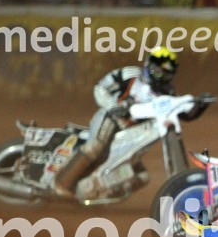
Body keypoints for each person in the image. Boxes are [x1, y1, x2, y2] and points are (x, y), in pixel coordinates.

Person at [54, 46, 207, 197]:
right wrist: (113, 106)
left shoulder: (168, 93)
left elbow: (184, 114)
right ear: (148, 64)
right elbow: (100, 88)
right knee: (95, 148)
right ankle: (62, 184)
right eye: (158, 71)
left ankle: (93, 190)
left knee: (141, 176)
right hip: (112, 119)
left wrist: (200, 106)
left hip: (133, 134)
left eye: (166, 74)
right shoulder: (131, 75)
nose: (160, 76)